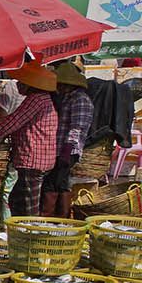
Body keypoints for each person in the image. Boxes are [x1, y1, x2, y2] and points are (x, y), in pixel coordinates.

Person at [0, 63, 58, 217]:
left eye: (22, 82)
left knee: (28, 207)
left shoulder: (36, 100)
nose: (18, 85)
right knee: (16, 200)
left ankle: (29, 234)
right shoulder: (43, 99)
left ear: (30, 84)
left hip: (33, 160)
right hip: (37, 159)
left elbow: (13, 122)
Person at [44, 61, 94, 219]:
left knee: (55, 183)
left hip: (68, 149)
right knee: (60, 183)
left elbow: (77, 128)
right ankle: (58, 218)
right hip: (60, 148)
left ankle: (55, 217)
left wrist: (67, 150)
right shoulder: (66, 98)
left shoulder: (80, 99)